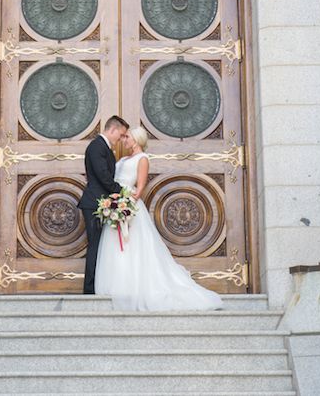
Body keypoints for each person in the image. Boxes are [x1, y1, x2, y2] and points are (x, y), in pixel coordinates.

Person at [95, 125, 223, 311]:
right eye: (124, 137)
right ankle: (119, 287)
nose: (124, 140)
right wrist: (113, 203)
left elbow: (139, 188)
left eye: (127, 137)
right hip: (116, 202)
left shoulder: (143, 159)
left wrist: (125, 207)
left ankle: (136, 288)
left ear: (137, 140)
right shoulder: (122, 159)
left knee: (134, 248)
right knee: (116, 247)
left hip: (129, 206)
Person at [78, 115, 129, 294]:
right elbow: (103, 175)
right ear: (112, 130)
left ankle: (96, 287)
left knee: (100, 246)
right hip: (93, 204)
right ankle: (90, 290)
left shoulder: (103, 148)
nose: (121, 140)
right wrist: (122, 191)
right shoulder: (97, 146)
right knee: (95, 246)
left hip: (100, 202)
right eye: (121, 135)